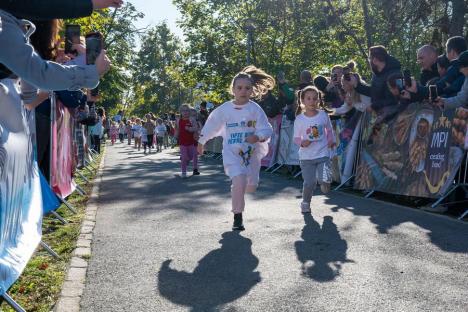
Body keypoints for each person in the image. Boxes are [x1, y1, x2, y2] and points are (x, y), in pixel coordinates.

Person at [197, 66, 274, 231]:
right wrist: (202, 141)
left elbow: (267, 129)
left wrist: (258, 136)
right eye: (239, 88)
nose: (243, 91)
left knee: (251, 186)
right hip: (232, 154)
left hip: (251, 155)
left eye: (247, 88)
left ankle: (247, 185)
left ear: (252, 90)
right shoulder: (224, 109)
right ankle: (237, 216)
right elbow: (212, 125)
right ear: (233, 90)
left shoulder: (255, 109)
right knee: (238, 181)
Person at [293, 86, 336, 214]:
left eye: (315, 98)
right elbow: (295, 138)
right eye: (308, 98)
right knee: (309, 182)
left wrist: (331, 140)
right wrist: (302, 142)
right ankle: (305, 203)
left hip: (322, 153)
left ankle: (325, 183)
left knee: (325, 181)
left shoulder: (323, 115)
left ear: (319, 100)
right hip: (306, 156)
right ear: (303, 100)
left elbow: (329, 130)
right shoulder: (300, 119)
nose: (312, 101)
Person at [351, 45, 402, 115]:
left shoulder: (394, 74)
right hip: (380, 112)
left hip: (393, 114)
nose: (369, 61)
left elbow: (393, 100)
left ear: (374, 60)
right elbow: (373, 92)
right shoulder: (377, 74)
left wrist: (374, 106)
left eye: (370, 58)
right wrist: (357, 85)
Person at [176, 105, 200, 177]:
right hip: (182, 142)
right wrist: (175, 137)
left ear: (189, 112)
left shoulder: (192, 119)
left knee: (192, 156)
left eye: (187, 110)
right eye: (183, 111)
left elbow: (196, 128)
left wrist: (190, 129)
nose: (185, 112)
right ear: (180, 112)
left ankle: (187, 161)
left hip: (191, 142)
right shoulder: (178, 120)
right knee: (184, 157)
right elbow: (177, 129)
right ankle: (184, 172)